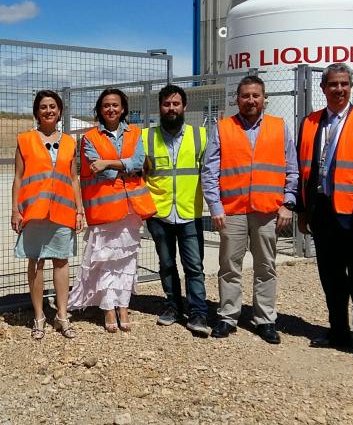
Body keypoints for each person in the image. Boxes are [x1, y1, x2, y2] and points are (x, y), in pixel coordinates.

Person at [296, 63, 353, 360]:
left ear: (351, 86)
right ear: (323, 89)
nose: (339, 89)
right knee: (331, 277)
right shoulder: (310, 122)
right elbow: (303, 170)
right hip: (321, 211)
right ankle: (338, 331)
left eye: (344, 84)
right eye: (333, 84)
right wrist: (303, 211)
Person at [202, 75, 298, 344]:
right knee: (229, 266)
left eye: (256, 95)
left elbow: (292, 168)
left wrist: (288, 203)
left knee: (266, 267)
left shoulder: (280, 127)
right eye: (245, 96)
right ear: (237, 99)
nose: (251, 100)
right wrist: (215, 206)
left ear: (264, 98)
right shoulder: (223, 128)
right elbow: (209, 171)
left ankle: (265, 319)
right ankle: (228, 316)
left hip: (267, 211)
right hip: (232, 210)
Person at [68, 88, 156, 332]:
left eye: (115, 105)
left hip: (130, 210)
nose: (111, 109)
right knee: (106, 260)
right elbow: (101, 170)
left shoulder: (136, 133)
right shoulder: (89, 138)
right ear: (99, 109)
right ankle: (108, 309)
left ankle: (124, 307)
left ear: (123, 108)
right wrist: (121, 165)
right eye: (106, 105)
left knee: (127, 260)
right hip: (106, 211)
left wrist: (109, 161)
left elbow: (140, 162)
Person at [11, 90, 85, 339]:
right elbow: (18, 178)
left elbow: (74, 178)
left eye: (53, 106)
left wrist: (79, 210)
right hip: (34, 212)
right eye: (43, 107)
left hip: (63, 212)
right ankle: (39, 317)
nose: (49, 110)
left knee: (61, 261)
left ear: (60, 110)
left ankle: (62, 315)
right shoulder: (25, 140)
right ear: (36, 111)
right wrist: (15, 210)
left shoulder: (70, 142)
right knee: (37, 262)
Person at [142, 84, 211, 337]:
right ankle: (172, 306)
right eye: (166, 104)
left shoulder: (200, 136)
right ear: (159, 107)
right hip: (159, 213)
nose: (171, 109)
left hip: (189, 212)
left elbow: (211, 172)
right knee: (167, 264)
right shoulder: (147, 137)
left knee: (194, 266)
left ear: (184, 107)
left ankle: (198, 312)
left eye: (176, 104)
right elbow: (140, 173)